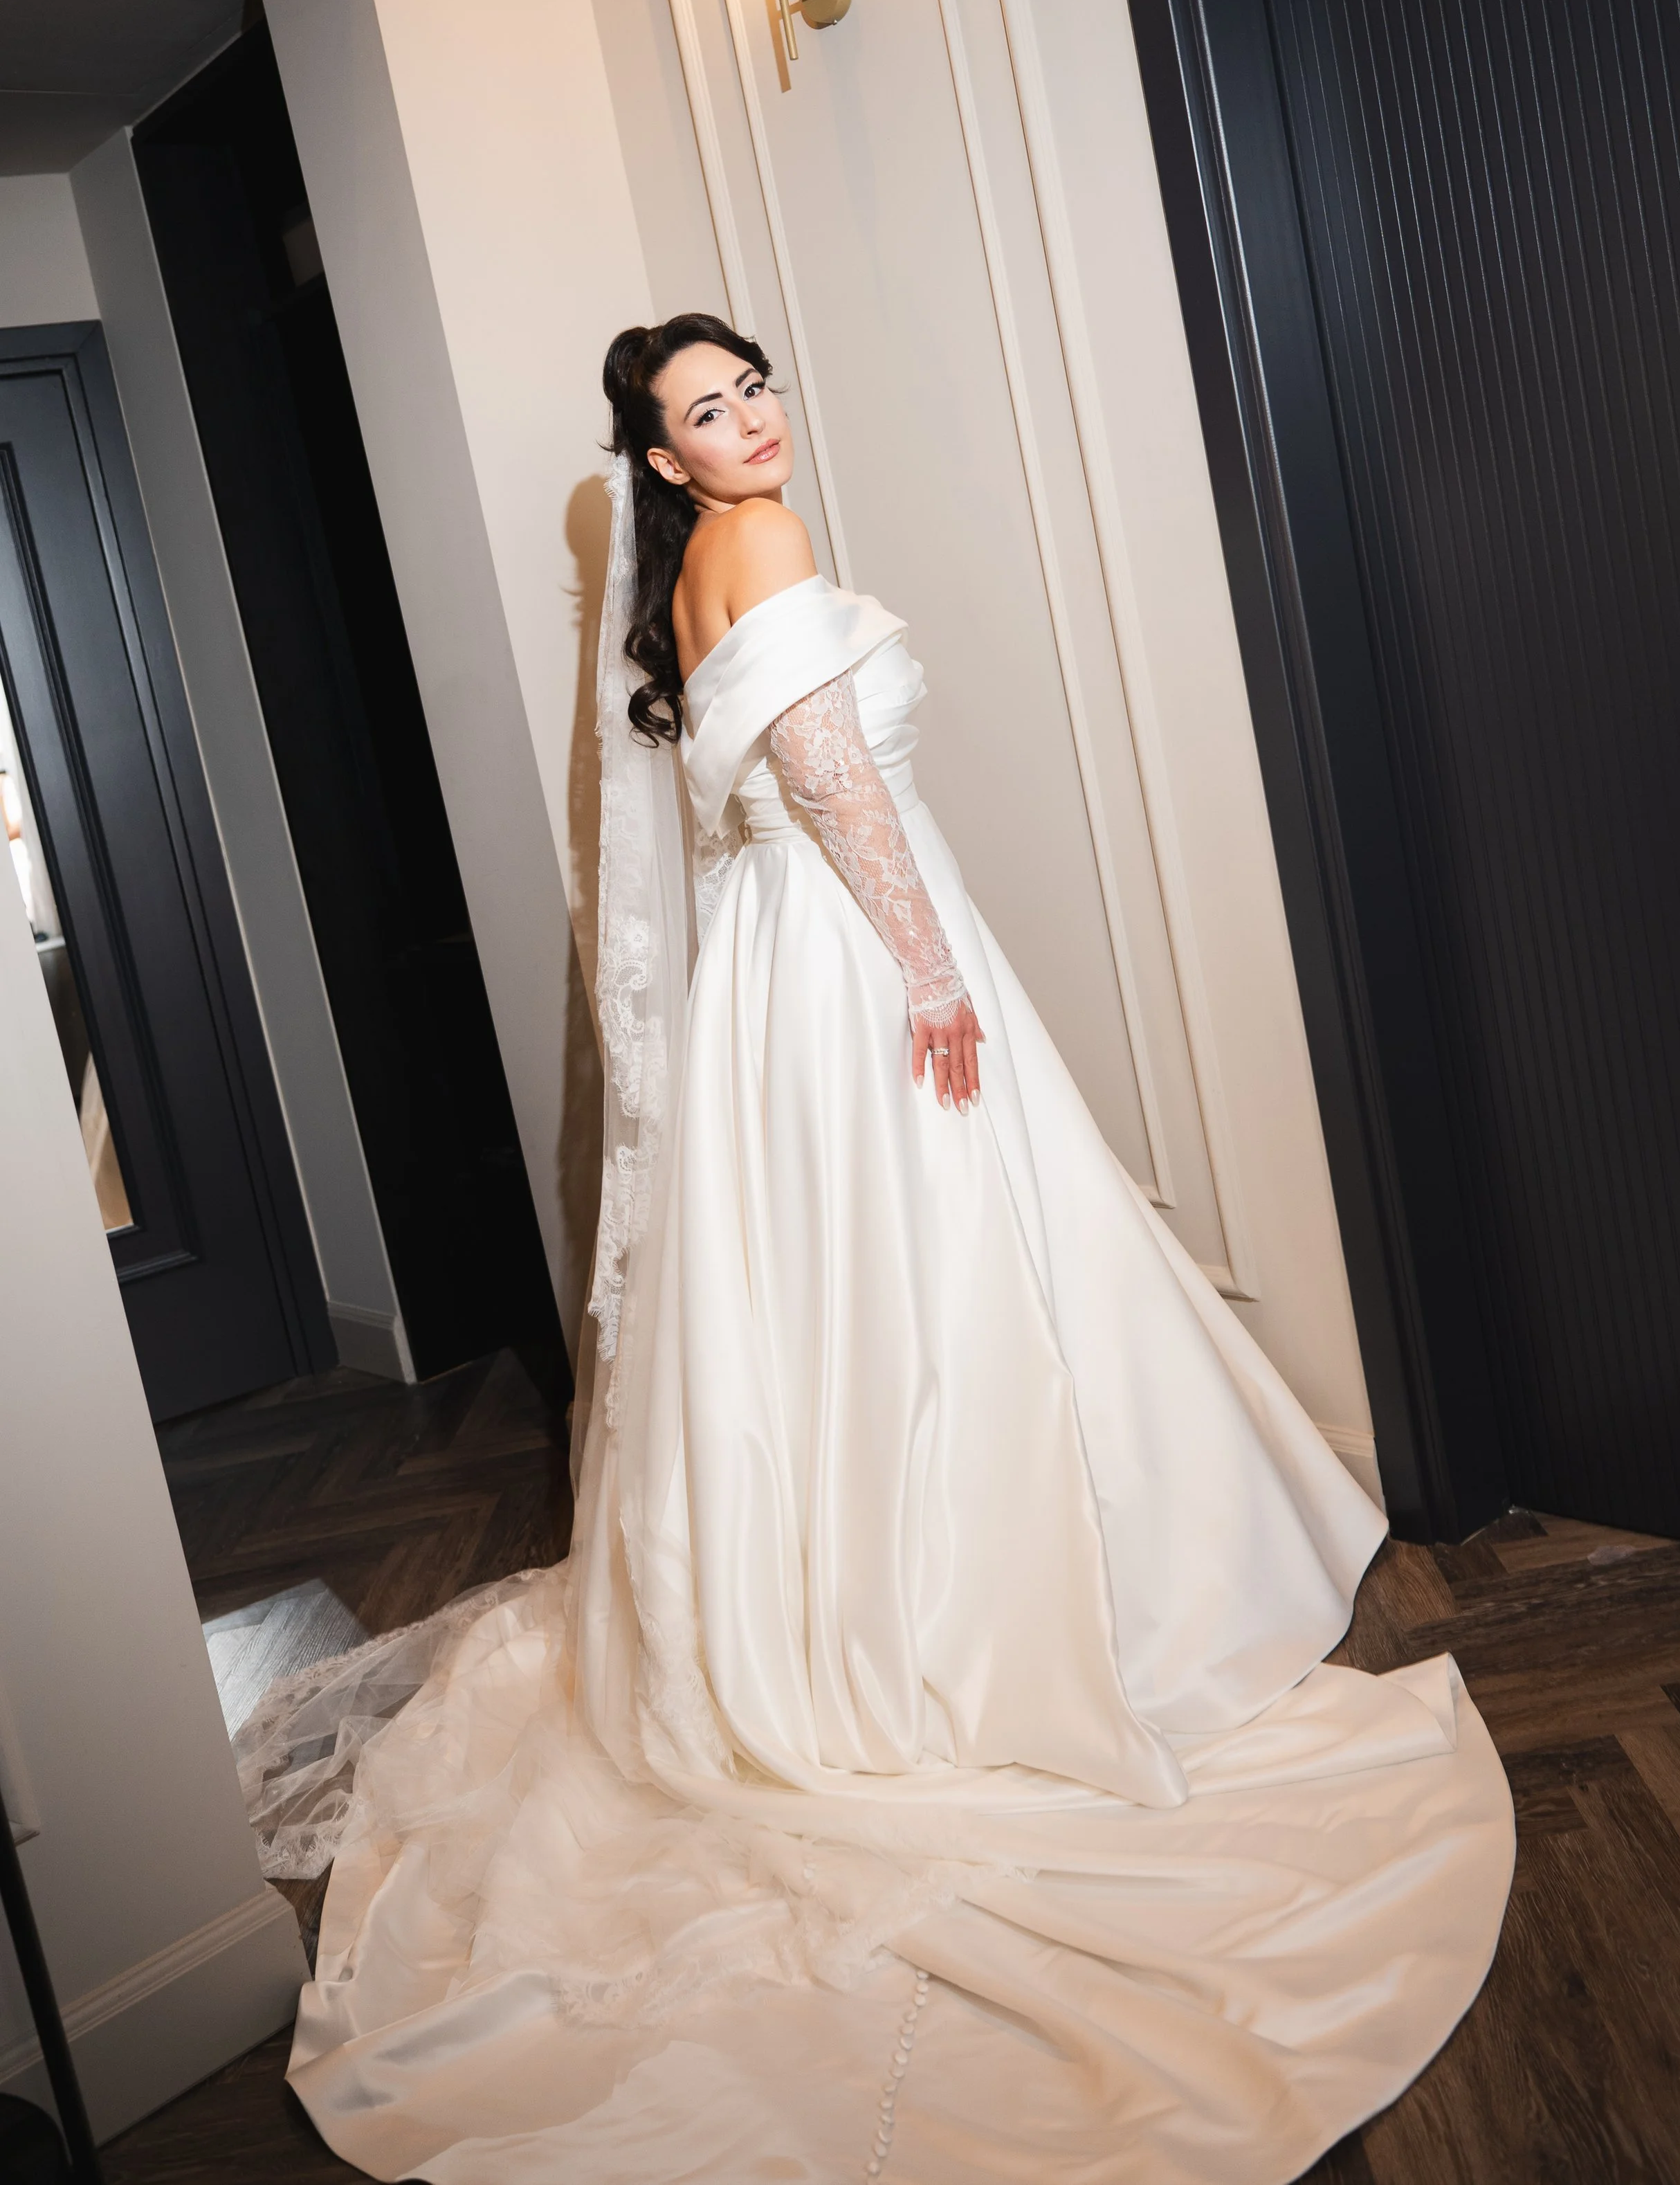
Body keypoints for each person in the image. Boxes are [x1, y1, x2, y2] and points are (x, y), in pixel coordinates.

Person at [243, 312, 1512, 2184]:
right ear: (663, 459)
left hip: (778, 971)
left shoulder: (688, 578)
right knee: (942, 1274)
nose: (749, 420)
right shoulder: (759, 543)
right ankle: (988, 1629)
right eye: (708, 410)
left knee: (834, 1304)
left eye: (751, 385)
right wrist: (932, 973)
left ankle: (853, 1610)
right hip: (855, 953)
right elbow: (834, 776)